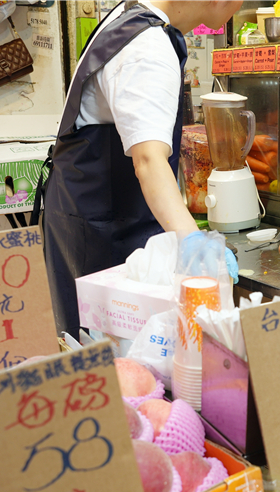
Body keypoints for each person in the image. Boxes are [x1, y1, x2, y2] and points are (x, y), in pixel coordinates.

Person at [43, 0, 242, 334]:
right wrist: (194, 242)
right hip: (103, 234)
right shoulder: (147, 46)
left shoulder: (130, 17)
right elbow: (148, 161)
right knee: (117, 369)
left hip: (89, 218)